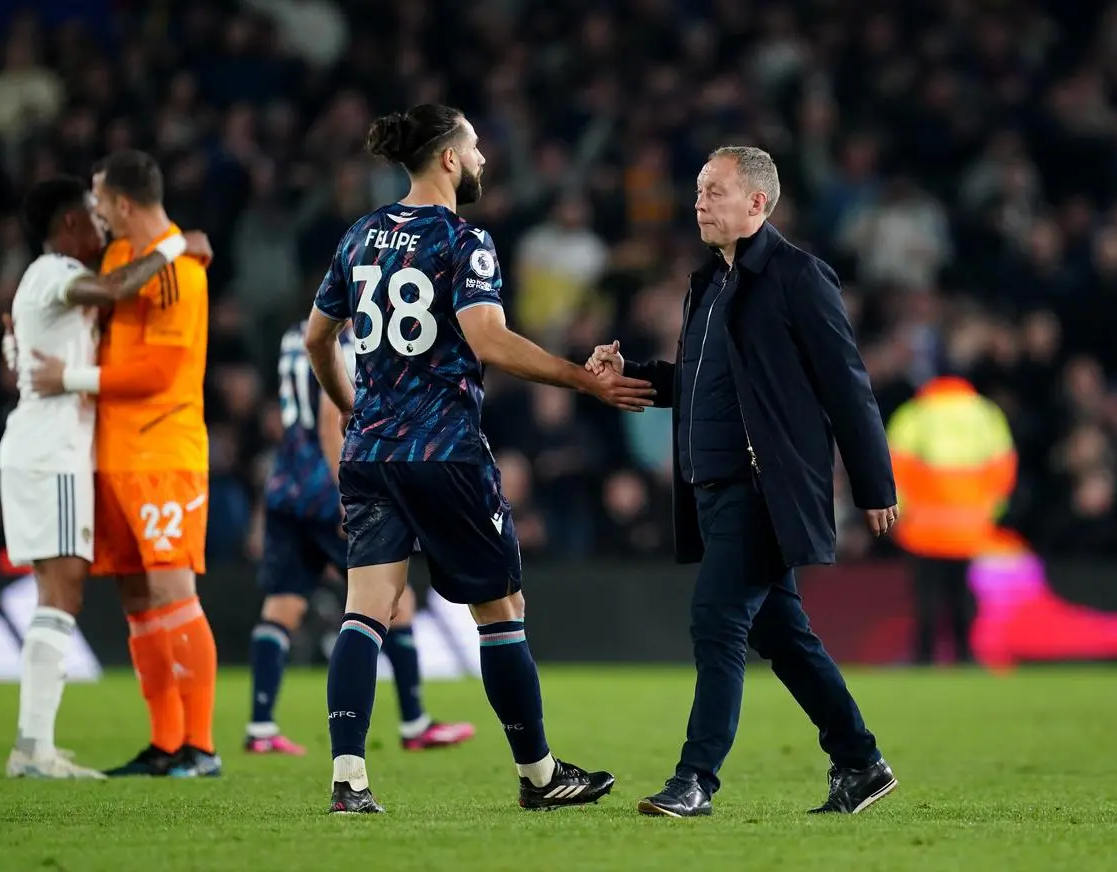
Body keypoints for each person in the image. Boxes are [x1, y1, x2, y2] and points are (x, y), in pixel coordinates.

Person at [303, 103, 654, 814]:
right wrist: (584, 379)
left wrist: (350, 407)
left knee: (364, 613)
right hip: (444, 453)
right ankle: (539, 775)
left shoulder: (361, 235)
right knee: (501, 611)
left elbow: (318, 339)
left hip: (370, 451)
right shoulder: (464, 240)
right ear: (449, 160)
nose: (486, 159)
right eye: (475, 147)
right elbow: (489, 341)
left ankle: (348, 779)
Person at [587, 146, 899, 818]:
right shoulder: (711, 283)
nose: (699, 202)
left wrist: (876, 484)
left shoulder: (797, 277)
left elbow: (847, 387)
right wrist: (626, 375)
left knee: (718, 619)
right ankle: (859, 760)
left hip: (766, 489)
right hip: (714, 488)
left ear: (758, 203)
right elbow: (697, 386)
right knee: (782, 634)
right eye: (699, 190)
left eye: (715, 191)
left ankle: (696, 778)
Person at [0, 176, 210, 779]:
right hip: (54, 452)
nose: (101, 227)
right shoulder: (56, 272)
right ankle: (33, 748)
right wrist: (176, 243)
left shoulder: (43, 283)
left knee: (61, 593)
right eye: (90, 218)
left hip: (50, 450)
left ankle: (35, 745)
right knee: (61, 595)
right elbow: (117, 287)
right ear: (70, 224)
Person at [246, 319, 475, 754]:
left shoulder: (293, 335)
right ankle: (414, 723)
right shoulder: (347, 343)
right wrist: (343, 491)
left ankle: (260, 728)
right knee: (395, 599)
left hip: (286, 486)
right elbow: (332, 419)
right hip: (326, 488)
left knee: (283, 605)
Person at [886, 374, 1017, 664]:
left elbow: (892, 468)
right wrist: (988, 513)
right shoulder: (985, 414)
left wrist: (901, 513)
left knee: (926, 593)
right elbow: (1004, 468)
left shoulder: (915, 415)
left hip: (923, 526)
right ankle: (965, 654)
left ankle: (924, 655)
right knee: (962, 591)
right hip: (969, 525)